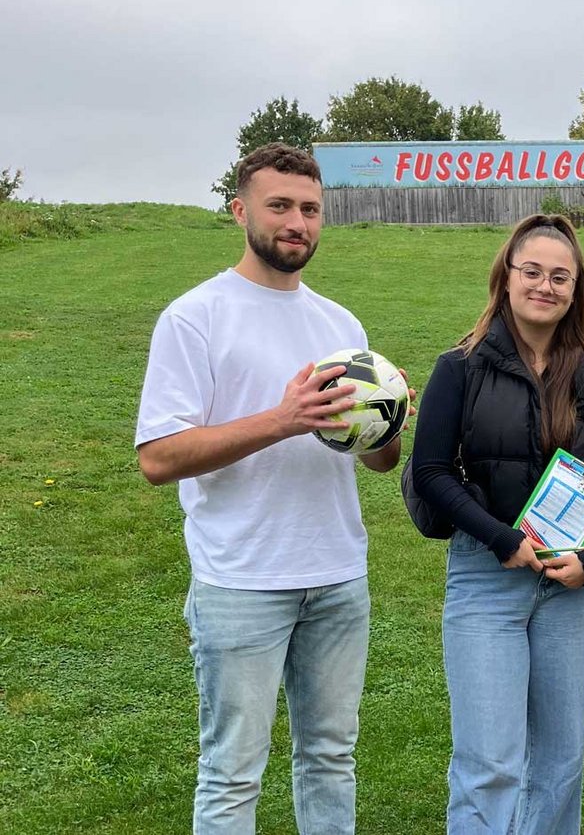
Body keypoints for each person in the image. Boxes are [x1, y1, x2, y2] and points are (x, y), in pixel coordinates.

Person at [135, 142, 407, 834]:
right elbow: (159, 456)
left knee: (330, 757)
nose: (297, 222)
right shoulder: (195, 316)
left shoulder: (340, 324)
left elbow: (377, 463)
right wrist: (283, 420)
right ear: (240, 210)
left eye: (310, 209)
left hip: (338, 577)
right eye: (279, 205)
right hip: (241, 581)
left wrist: (389, 421)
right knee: (231, 773)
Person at [411, 213, 584, 835]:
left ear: (575, 289)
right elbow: (429, 473)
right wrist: (503, 540)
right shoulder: (461, 367)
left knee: (560, 763)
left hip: (569, 592)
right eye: (532, 271)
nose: (545, 286)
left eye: (561, 277)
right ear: (506, 277)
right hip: (487, 580)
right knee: (490, 765)